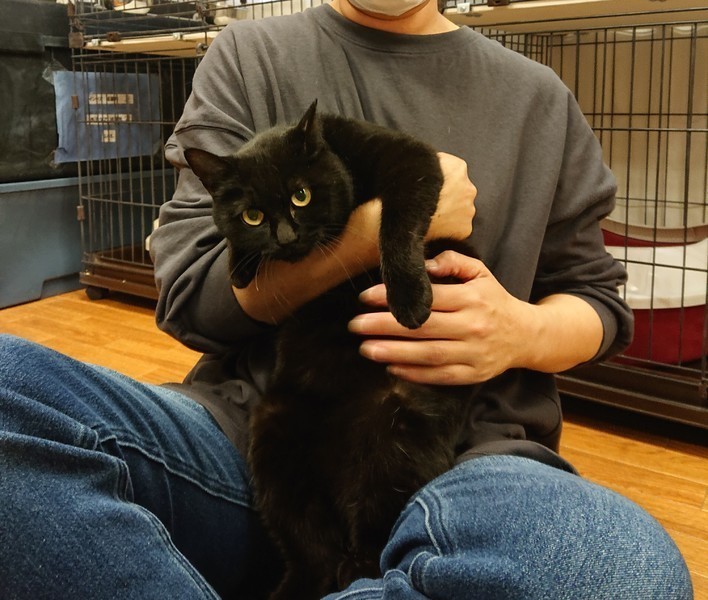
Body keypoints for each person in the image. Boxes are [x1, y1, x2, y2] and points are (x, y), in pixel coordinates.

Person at [0, 1, 692, 598]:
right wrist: (365, 236)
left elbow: (600, 305)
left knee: (620, 566)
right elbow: (189, 296)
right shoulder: (250, 54)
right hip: (263, 436)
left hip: (467, 450)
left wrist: (518, 332)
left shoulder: (537, 97)